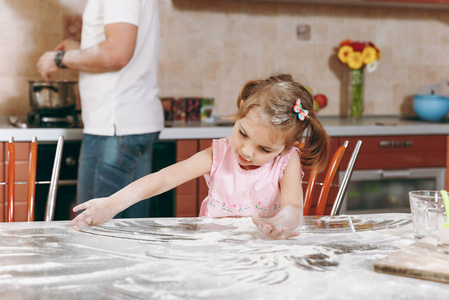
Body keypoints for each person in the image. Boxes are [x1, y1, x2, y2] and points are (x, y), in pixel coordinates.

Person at [72, 74, 330, 240]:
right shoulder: (219, 154)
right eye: (242, 133)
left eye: (265, 149)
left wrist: (281, 224)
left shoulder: (287, 160)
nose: (247, 151)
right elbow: (163, 179)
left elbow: (293, 206)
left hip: (265, 254)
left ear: (287, 147)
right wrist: (112, 204)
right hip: (214, 253)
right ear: (240, 112)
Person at [37, 1, 164, 219]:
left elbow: (117, 54)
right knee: (131, 234)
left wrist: (59, 59)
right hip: (131, 123)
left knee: (98, 237)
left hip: (113, 130)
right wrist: (79, 47)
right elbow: (121, 46)